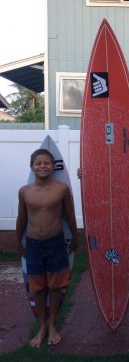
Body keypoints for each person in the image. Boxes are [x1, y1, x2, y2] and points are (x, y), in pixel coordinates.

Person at [16, 148, 78, 348]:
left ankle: (53, 325)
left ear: (53, 166)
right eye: (38, 163)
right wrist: (18, 242)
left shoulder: (61, 189)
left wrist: (76, 239)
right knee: (38, 287)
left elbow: (69, 216)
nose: (42, 166)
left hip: (56, 243)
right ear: (32, 167)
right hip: (33, 244)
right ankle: (42, 326)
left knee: (55, 286)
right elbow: (22, 218)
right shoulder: (25, 191)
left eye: (46, 163)